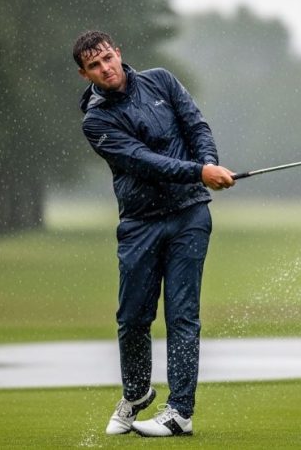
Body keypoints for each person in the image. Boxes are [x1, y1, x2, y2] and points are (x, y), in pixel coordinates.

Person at [73, 30, 235, 437]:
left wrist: (209, 163)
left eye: (107, 57)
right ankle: (137, 392)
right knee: (132, 318)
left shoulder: (161, 80)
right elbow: (144, 161)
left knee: (182, 315)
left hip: (188, 215)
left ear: (118, 53)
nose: (105, 68)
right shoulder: (96, 120)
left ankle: (180, 411)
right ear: (84, 74)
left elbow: (196, 125)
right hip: (140, 222)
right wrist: (200, 172)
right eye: (94, 65)